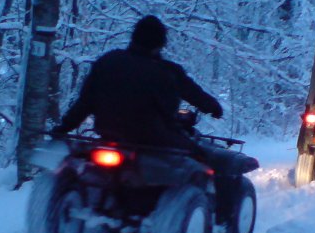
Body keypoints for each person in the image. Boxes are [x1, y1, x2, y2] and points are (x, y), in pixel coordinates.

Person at [52, 15, 223, 152]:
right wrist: (214, 108)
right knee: (202, 157)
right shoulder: (167, 71)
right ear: (161, 43)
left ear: (133, 38)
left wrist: (64, 128)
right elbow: (194, 94)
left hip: (109, 135)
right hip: (155, 141)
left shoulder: (108, 62)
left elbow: (85, 102)